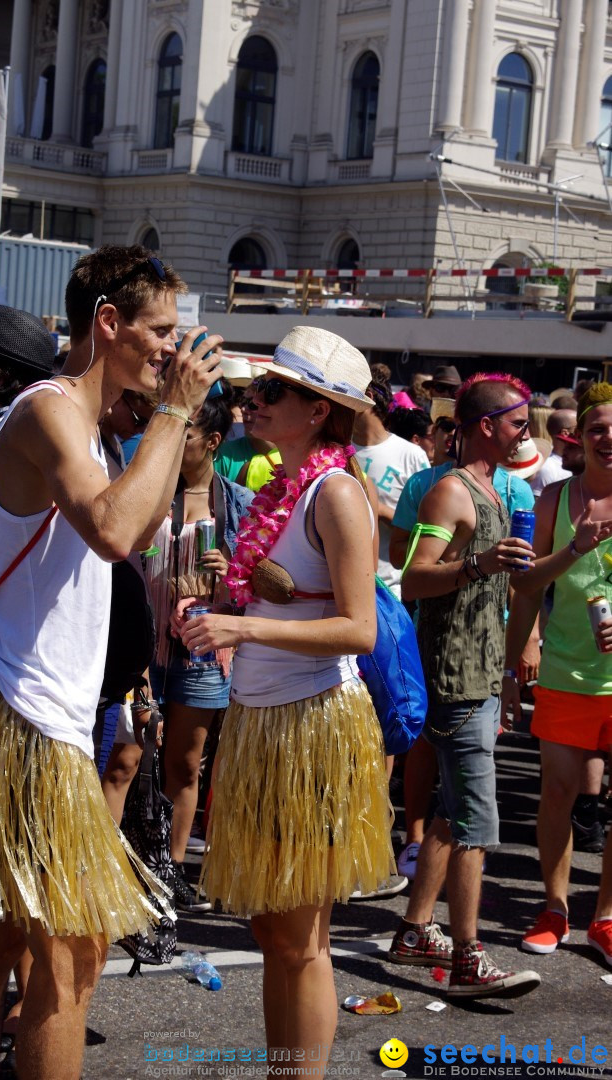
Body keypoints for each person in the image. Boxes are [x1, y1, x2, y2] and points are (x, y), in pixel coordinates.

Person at [0, 245, 224, 1079]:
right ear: (108, 324)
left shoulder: (90, 427)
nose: (173, 348)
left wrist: (179, 452)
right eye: (160, 331)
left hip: (43, 714)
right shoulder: (50, 409)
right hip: (26, 714)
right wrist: (175, 413)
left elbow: (141, 537)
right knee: (65, 957)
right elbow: (114, 531)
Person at [173, 326, 393, 1077]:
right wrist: (226, 620)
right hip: (263, 720)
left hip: (313, 723)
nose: (251, 400)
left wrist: (237, 621)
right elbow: (289, 606)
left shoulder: (336, 493)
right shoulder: (282, 485)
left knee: (299, 939)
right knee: (273, 930)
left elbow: (359, 628)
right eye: (254, 388)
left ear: (317, 412)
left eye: (271, 391)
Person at [387, 372, 541, 998]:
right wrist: (477, 563)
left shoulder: (497, 490)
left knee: (453, 813)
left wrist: (577, 548)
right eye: (517, 423)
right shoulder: (450, 492)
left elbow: (517, 584)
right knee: (477, 822)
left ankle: (417, 930)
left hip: (480, 672)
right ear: (486, 425)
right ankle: (467, 958)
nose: (525, 434)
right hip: (451, 675)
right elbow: (415, 577)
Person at [503, 382, 612, 962]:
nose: (608, 439)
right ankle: (555, 906)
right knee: (557, 794)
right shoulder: (554, 501)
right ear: (579, 438)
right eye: (597, 429)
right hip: (568, 673)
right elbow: (523, 588)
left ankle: (606, 917)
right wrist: (509, 668)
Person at [145, 388, 252, 911]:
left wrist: (231, 577)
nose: (169, 439)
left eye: (183, 432)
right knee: (129, 757)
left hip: (204, 649)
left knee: (185, 765)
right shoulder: (147, 489)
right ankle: (129, 861)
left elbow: (263, 590)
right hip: (143, 646)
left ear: (211, 441)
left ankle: (171, 867)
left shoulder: (238, 504)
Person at [353, 377, 429, 597]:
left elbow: (425, 526)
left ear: (368, 398)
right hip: (338, 583)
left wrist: (373, 507)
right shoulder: (336, 450)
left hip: (390, 589)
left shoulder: (411, 455)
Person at [530, 409, 575, 497]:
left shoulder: (578, 463)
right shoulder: (547, 468)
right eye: (578, 428)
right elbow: (537, 506)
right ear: (565, 433)